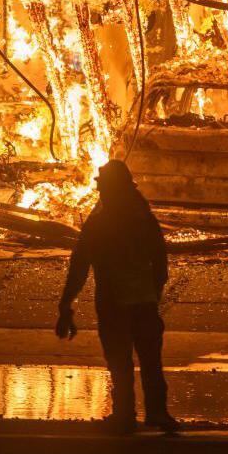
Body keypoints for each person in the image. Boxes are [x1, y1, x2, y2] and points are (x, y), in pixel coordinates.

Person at [55, 159, 180, 434]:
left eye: (104, 188)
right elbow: (160, 259)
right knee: (148, 361)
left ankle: (125, 414)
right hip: (141, 300)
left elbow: (80, 264)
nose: (101, 193)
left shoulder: (102, 221)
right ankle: (155, 412)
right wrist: (155, 292)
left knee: (120, 361)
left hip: (115, 302)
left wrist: (66, 303)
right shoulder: (141, 215)